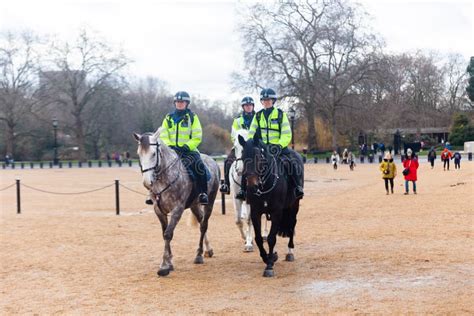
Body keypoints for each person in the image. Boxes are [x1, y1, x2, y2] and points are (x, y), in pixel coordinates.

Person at [236, 88, 304, 200]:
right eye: (264, 100)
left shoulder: (281, 115)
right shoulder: (257, 116)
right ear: (262, 102)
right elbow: (251, 133)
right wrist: (251, 145)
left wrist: (279, 145)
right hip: (262, 147)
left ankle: (297, 187)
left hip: (278, 147)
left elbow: (287, 134)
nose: (266, 102)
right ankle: (243, 190)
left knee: (291, 162)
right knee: (248, 163)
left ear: (273, 101)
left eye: (268, 100)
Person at [154, 90, 209, 205]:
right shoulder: (168, 118)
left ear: (187, 103)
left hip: (188, 151)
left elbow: (197, 136)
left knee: (199, 167)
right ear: (175, 103)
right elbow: (163, 134)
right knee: (155, 166)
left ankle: (203, 193)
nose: (180, 104)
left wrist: (186, 146)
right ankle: (153, 193)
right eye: (178, 102)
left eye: (182, 102)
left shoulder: (192, 118)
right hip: (170, 151)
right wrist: (169, 145)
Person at [219, 96, 256, 195]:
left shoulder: (258, 118)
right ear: (243, 107)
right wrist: (239, 144)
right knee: (228, 161)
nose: (248, 107)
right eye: (246, 105)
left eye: (250, 105)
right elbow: (233, 135)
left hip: (253, 146)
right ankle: (226, 185)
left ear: (253, 106)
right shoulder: (237, 120)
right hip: (239, 146)